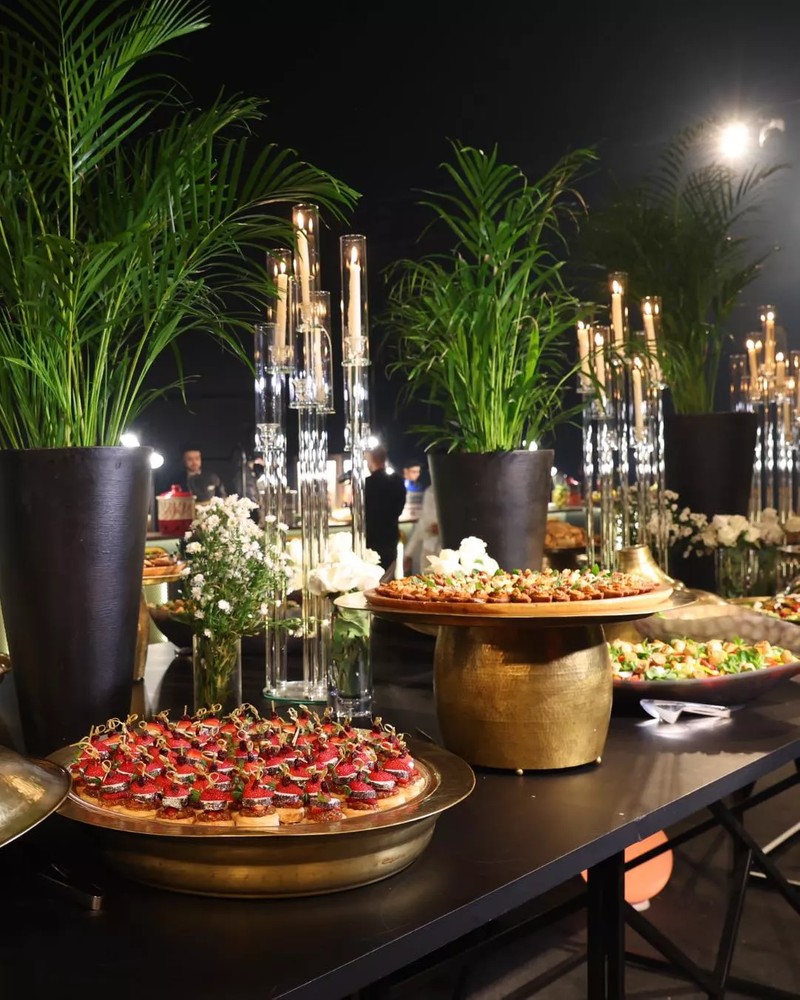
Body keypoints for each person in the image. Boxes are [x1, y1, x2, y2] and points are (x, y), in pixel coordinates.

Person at [364, 445, 407, 571]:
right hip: (390, 536)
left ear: (372, 459)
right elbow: (400, 507)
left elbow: (361, 514)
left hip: (371, 539)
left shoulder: (367, 484)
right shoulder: (398, 481)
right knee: (389, 574)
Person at [403, 485, 440, 574]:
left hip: (449, 553)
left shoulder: (457, 490)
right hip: (428, 550)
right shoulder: (430, 491)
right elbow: (422, 524)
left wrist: (443, 529)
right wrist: (408, 554)